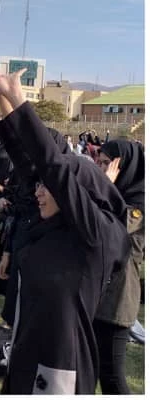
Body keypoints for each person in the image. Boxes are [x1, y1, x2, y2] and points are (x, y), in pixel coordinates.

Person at [0, 72, 128, 395]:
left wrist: (19, 99)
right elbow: (32, 165)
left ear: (74, 193)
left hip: (60, 368)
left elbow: (53, 167)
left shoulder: (98, 236)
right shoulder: (54, 225)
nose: (38, 191)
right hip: (26, 353)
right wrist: (3, 102)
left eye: (47, 187)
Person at [93, 139, 144, 393]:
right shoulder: (112, 194)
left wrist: (105, 189)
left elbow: (113, 234)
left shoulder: (139, 204)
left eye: (108, 164)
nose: (102, 170)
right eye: (100, 163)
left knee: (111, 375)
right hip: (95, 292)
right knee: (89, 368)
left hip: (118, 298)